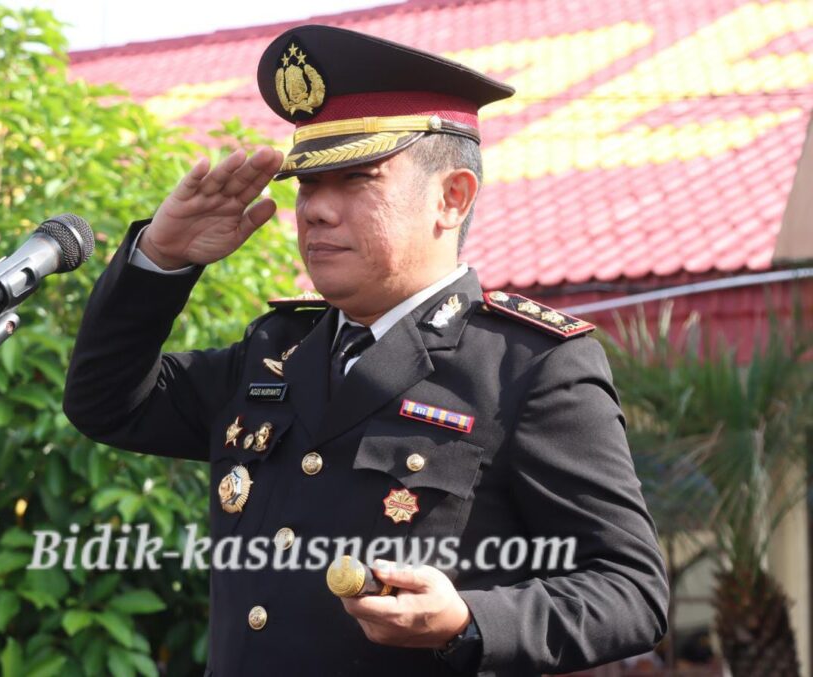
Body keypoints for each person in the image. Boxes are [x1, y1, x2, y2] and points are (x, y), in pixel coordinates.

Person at [64, 24, 668, 676]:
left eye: (355, 179)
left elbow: (630, 589)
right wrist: (160, 260)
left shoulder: (526, 366)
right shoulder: (276, 349)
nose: (316, 211)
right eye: (308, 184)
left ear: (452, 197)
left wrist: (469, 620)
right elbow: (107, 403)